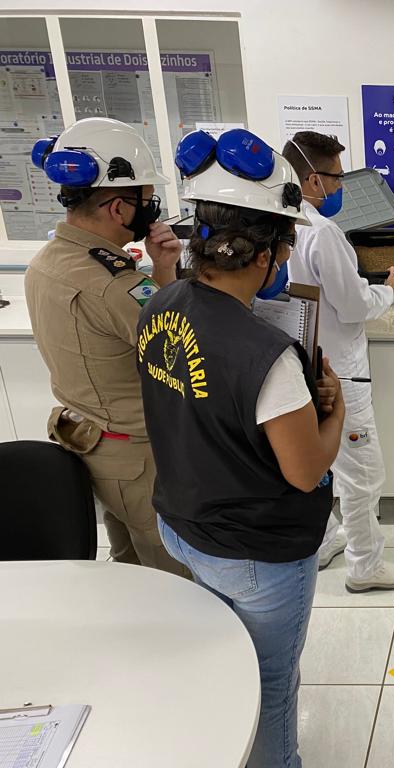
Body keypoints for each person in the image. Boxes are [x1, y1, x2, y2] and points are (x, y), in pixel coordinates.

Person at [139, 128, 344, 768]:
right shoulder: (268, 356)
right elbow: (305, 471)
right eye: (284, 248)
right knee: (271, 687)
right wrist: (332, 411)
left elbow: (196, 405)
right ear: (265, 257)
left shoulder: (161, 302)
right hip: (255, 552)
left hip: (183, 525)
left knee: (226, 667)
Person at [24, 117, 188, 577]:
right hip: (139, 459)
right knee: (174, 577)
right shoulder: (114, 284)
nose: (151, 210)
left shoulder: (47, 261)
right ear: (118, 208)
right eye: (147, 200)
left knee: (130, 569)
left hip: (94, 445)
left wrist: (160, 268)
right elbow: (181, 349)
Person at [282, 131, 394, 589]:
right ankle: (365, 566)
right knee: (362, 472)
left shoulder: (278, 223)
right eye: (337, 178)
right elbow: (353, 306)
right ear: (312, 179)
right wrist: (389, 290)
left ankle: (324, 542)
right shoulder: (323, 233)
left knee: (315, 465)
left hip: (296, 366)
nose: (341, 186)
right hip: (339, 372)